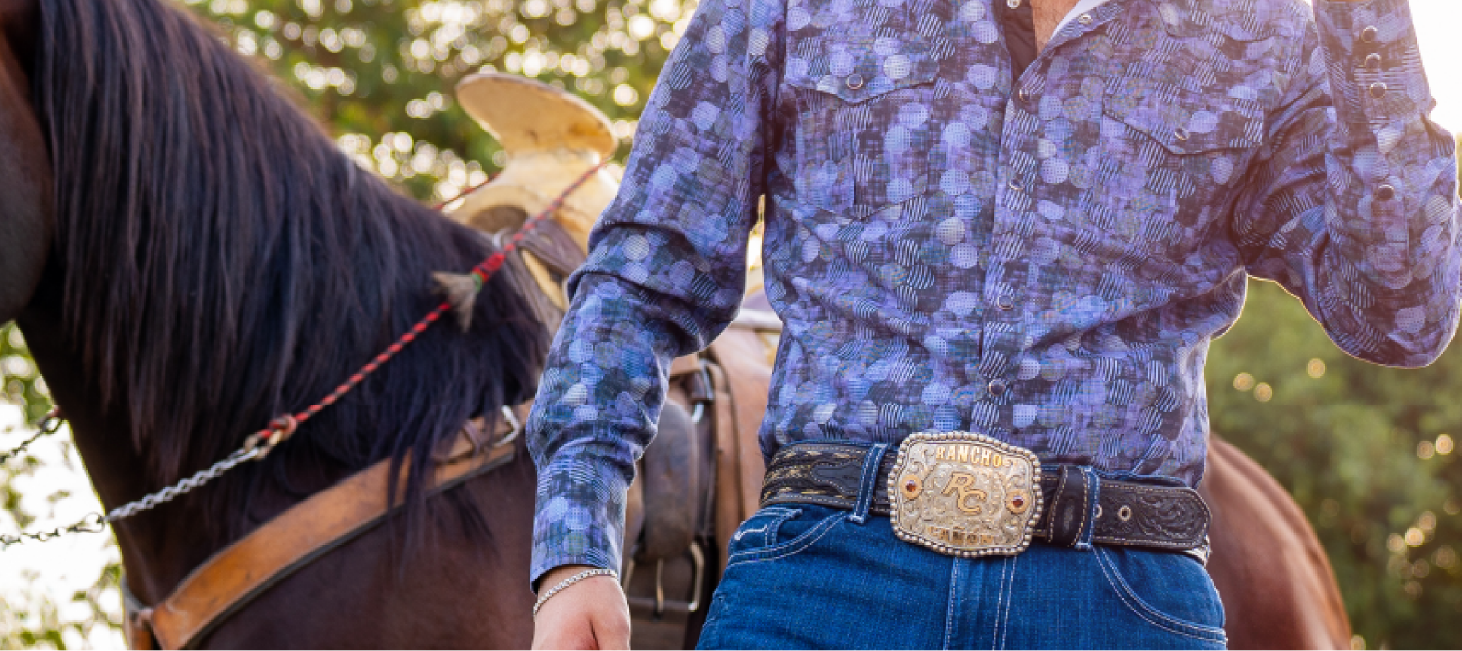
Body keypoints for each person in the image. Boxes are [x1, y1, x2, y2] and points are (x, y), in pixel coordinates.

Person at [524, 0, 1459, 646]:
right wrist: (572, 549)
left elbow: (1403, 311)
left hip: (1120, 600)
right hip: (824, 583)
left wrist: (1367, 26)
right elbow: (642, 278)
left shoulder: (1263, 38)